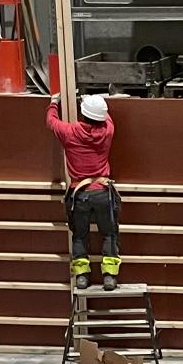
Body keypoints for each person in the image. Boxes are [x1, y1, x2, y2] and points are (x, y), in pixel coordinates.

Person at [45, 94, 121, 290]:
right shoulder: (108, 132)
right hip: (103, 193)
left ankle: (81, 276)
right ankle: (109, 276)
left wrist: (54, 103)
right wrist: (90, 100)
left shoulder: (69, 132)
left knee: (79, 235)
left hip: (80, 194)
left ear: (83, 114)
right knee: (109, 234)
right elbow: (107, 118)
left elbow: (51, 121)